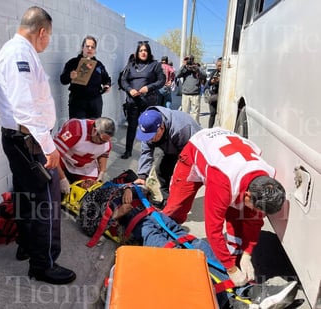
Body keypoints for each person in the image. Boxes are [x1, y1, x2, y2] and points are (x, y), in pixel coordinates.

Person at [78, 184, 298, 309]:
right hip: (144, 229)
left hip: (161, 220)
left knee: (200, 247)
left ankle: (252, 291)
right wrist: (118, 214)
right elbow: (92, 226)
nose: (87, 182)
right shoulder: (90, 202)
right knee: (181, 262)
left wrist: (132, 187)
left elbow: (146, 189)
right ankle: (235, 303)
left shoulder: (113, 184)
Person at [0, 6, 76, 284]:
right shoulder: (19, 53)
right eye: (48, 36)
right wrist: (48, 146)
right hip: (31, 141)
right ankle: (43, 265)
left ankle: (27, 247)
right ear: (41, 32)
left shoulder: (17, 51)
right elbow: (25, 107)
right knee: (46, 203)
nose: (48, 41)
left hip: (22, 139)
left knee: (26, 198)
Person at [163, 127, 287, 288]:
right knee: (176, 208)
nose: (259, 215)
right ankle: (162, 247)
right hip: (198, 149)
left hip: (230, 156)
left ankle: (231, 260)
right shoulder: (222, 182)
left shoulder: (265, 182)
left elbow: (254, 222)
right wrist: (231, 269)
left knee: (240, 217)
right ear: (248, 195)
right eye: (258, 210)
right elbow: (213, 229)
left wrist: (247, 254)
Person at [134, 107, 201, 207]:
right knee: (161, 169)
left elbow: (188, 157)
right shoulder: (148, 127)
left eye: (152, 136)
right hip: (168, 144)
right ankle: (167, 201)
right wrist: (142, 176)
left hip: (192, 148)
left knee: (181, 179)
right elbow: (146, 152)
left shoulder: (182, 129)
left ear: (161, 127)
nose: (150, 140)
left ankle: (177, 205)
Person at [119, 41, 166, 159]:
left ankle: (149, 152)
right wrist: (130, 90)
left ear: (149, 52)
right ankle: (128, 151)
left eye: (145, 50)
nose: (143, 53)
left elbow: (161, 81)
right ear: (137, 52)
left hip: (148, 101)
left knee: (150, 126)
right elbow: (123, 81)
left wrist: (148, 88)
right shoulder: (131, 65)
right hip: (132, 101)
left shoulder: (154, 65)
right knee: (131, 126)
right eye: (141, 50)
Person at [53, 117, 115, 194]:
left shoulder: (105, 140)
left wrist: (102, 171)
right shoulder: (75, 128)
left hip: (85, 167)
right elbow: (53, 154)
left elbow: (104, 154)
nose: (102, 144)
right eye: (101, 141)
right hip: (64, 160)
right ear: (95, 131)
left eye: (105, 142)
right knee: (54, 184)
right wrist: (62, 178)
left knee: (91, 192)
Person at [60, 35, 111, 119]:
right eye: (87, 46)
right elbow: (63, 80)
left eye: (92, 47)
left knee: (94, 129)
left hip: (95, 102)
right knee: (78, 129)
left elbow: (106, 79)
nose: (90, 49)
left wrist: (107, 85)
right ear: (82, 47)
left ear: (95, 50)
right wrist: (70, 76)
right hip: (78, 102)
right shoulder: (72, 62)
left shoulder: (99, 65)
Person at [176, 55, 206, 124]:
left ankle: (195, 127)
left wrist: (197, 69)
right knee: (184, 112)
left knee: (195, 113)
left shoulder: (197, 67)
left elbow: (204, 75)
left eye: (190, 59)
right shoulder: (185, 69)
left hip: (195, 94)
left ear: (193, 60)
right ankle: (185, 126)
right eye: (187, 59)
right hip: (186, 94)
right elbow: (177, 75)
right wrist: (183, 65)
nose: (189, 61)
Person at [207, 57, 222, 128]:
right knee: (212, 113)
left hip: (221, 96)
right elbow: (209, 83)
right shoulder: (214, 72)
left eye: (220, 66)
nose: (219, 67)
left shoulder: (226, 73)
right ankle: (209, 129)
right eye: (218, 66)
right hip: (214, 94)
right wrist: (213, 81)